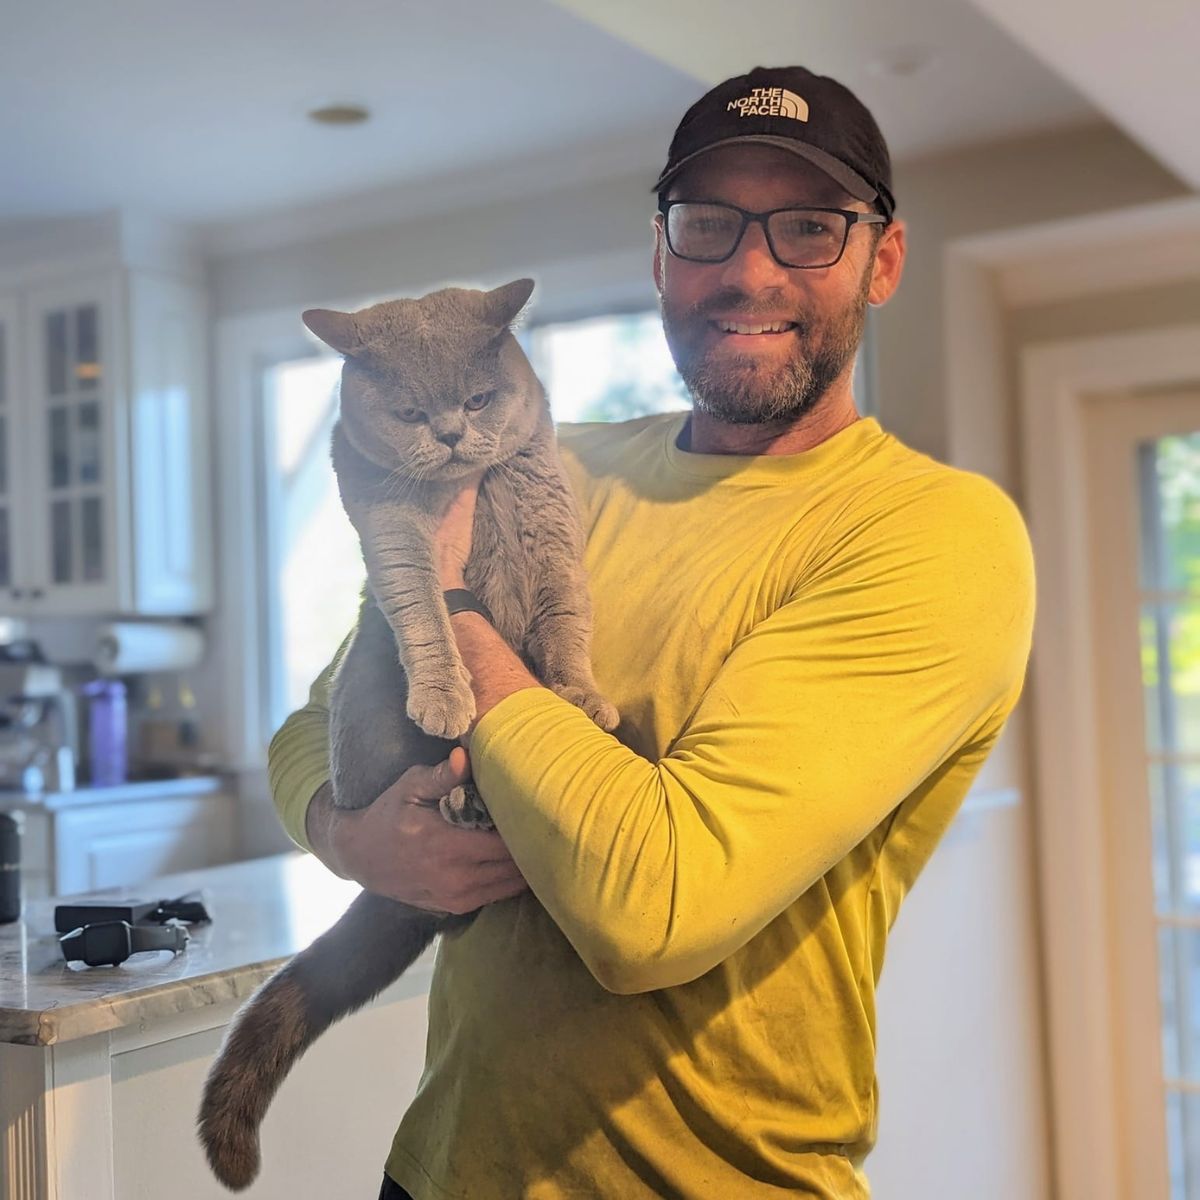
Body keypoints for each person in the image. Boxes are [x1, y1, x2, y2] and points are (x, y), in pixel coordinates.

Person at [268, 65, 1036, 1200]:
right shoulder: (555, 465)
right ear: (662, 253)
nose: (749, 269)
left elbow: (650, 911)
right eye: (708, 224)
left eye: (809, 228)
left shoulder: (931, 534)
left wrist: (460, 611)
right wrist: (349, 836)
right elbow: (311, 727)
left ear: (882, 259)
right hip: (438, 1171)